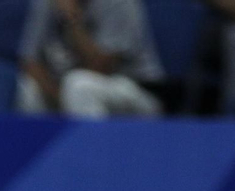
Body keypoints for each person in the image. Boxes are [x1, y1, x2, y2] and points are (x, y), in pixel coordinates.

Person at [18, 0, 164, 117]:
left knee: (79, 85)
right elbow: (29, 61)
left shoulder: (120, 3)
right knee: (27, 89)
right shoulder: (47, 3)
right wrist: (57, 96)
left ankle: (90, 153)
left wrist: (71, 19)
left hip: (134, 90)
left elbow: (100, 67)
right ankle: (44, 152)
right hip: (65, 90)